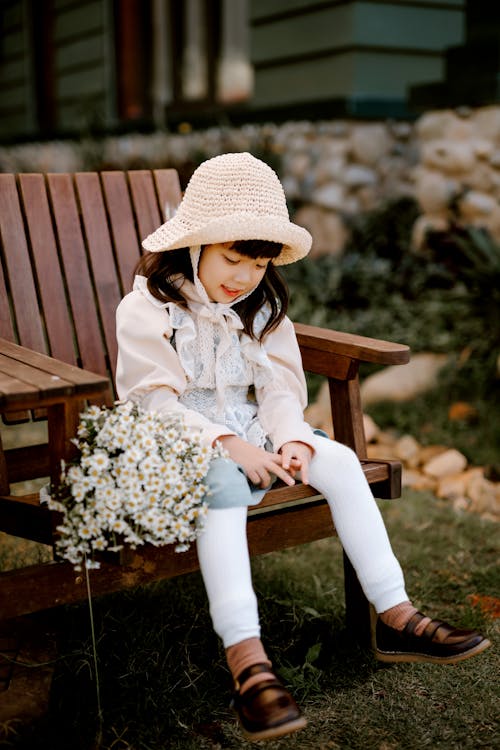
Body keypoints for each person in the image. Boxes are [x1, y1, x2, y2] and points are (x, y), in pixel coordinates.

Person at [115, 152, 491, 742]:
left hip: (254, 432)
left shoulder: (261, 309)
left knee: (336, 458)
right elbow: (151, 400)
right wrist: (229, 445)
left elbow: (280, 388)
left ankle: (396, 616)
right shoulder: (149, 310)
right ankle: (248, 662)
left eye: (258, 264)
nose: (242, 277)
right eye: (230, 259)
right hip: (176, 439)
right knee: (223, 484)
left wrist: (289, 439)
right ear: (193, 249)